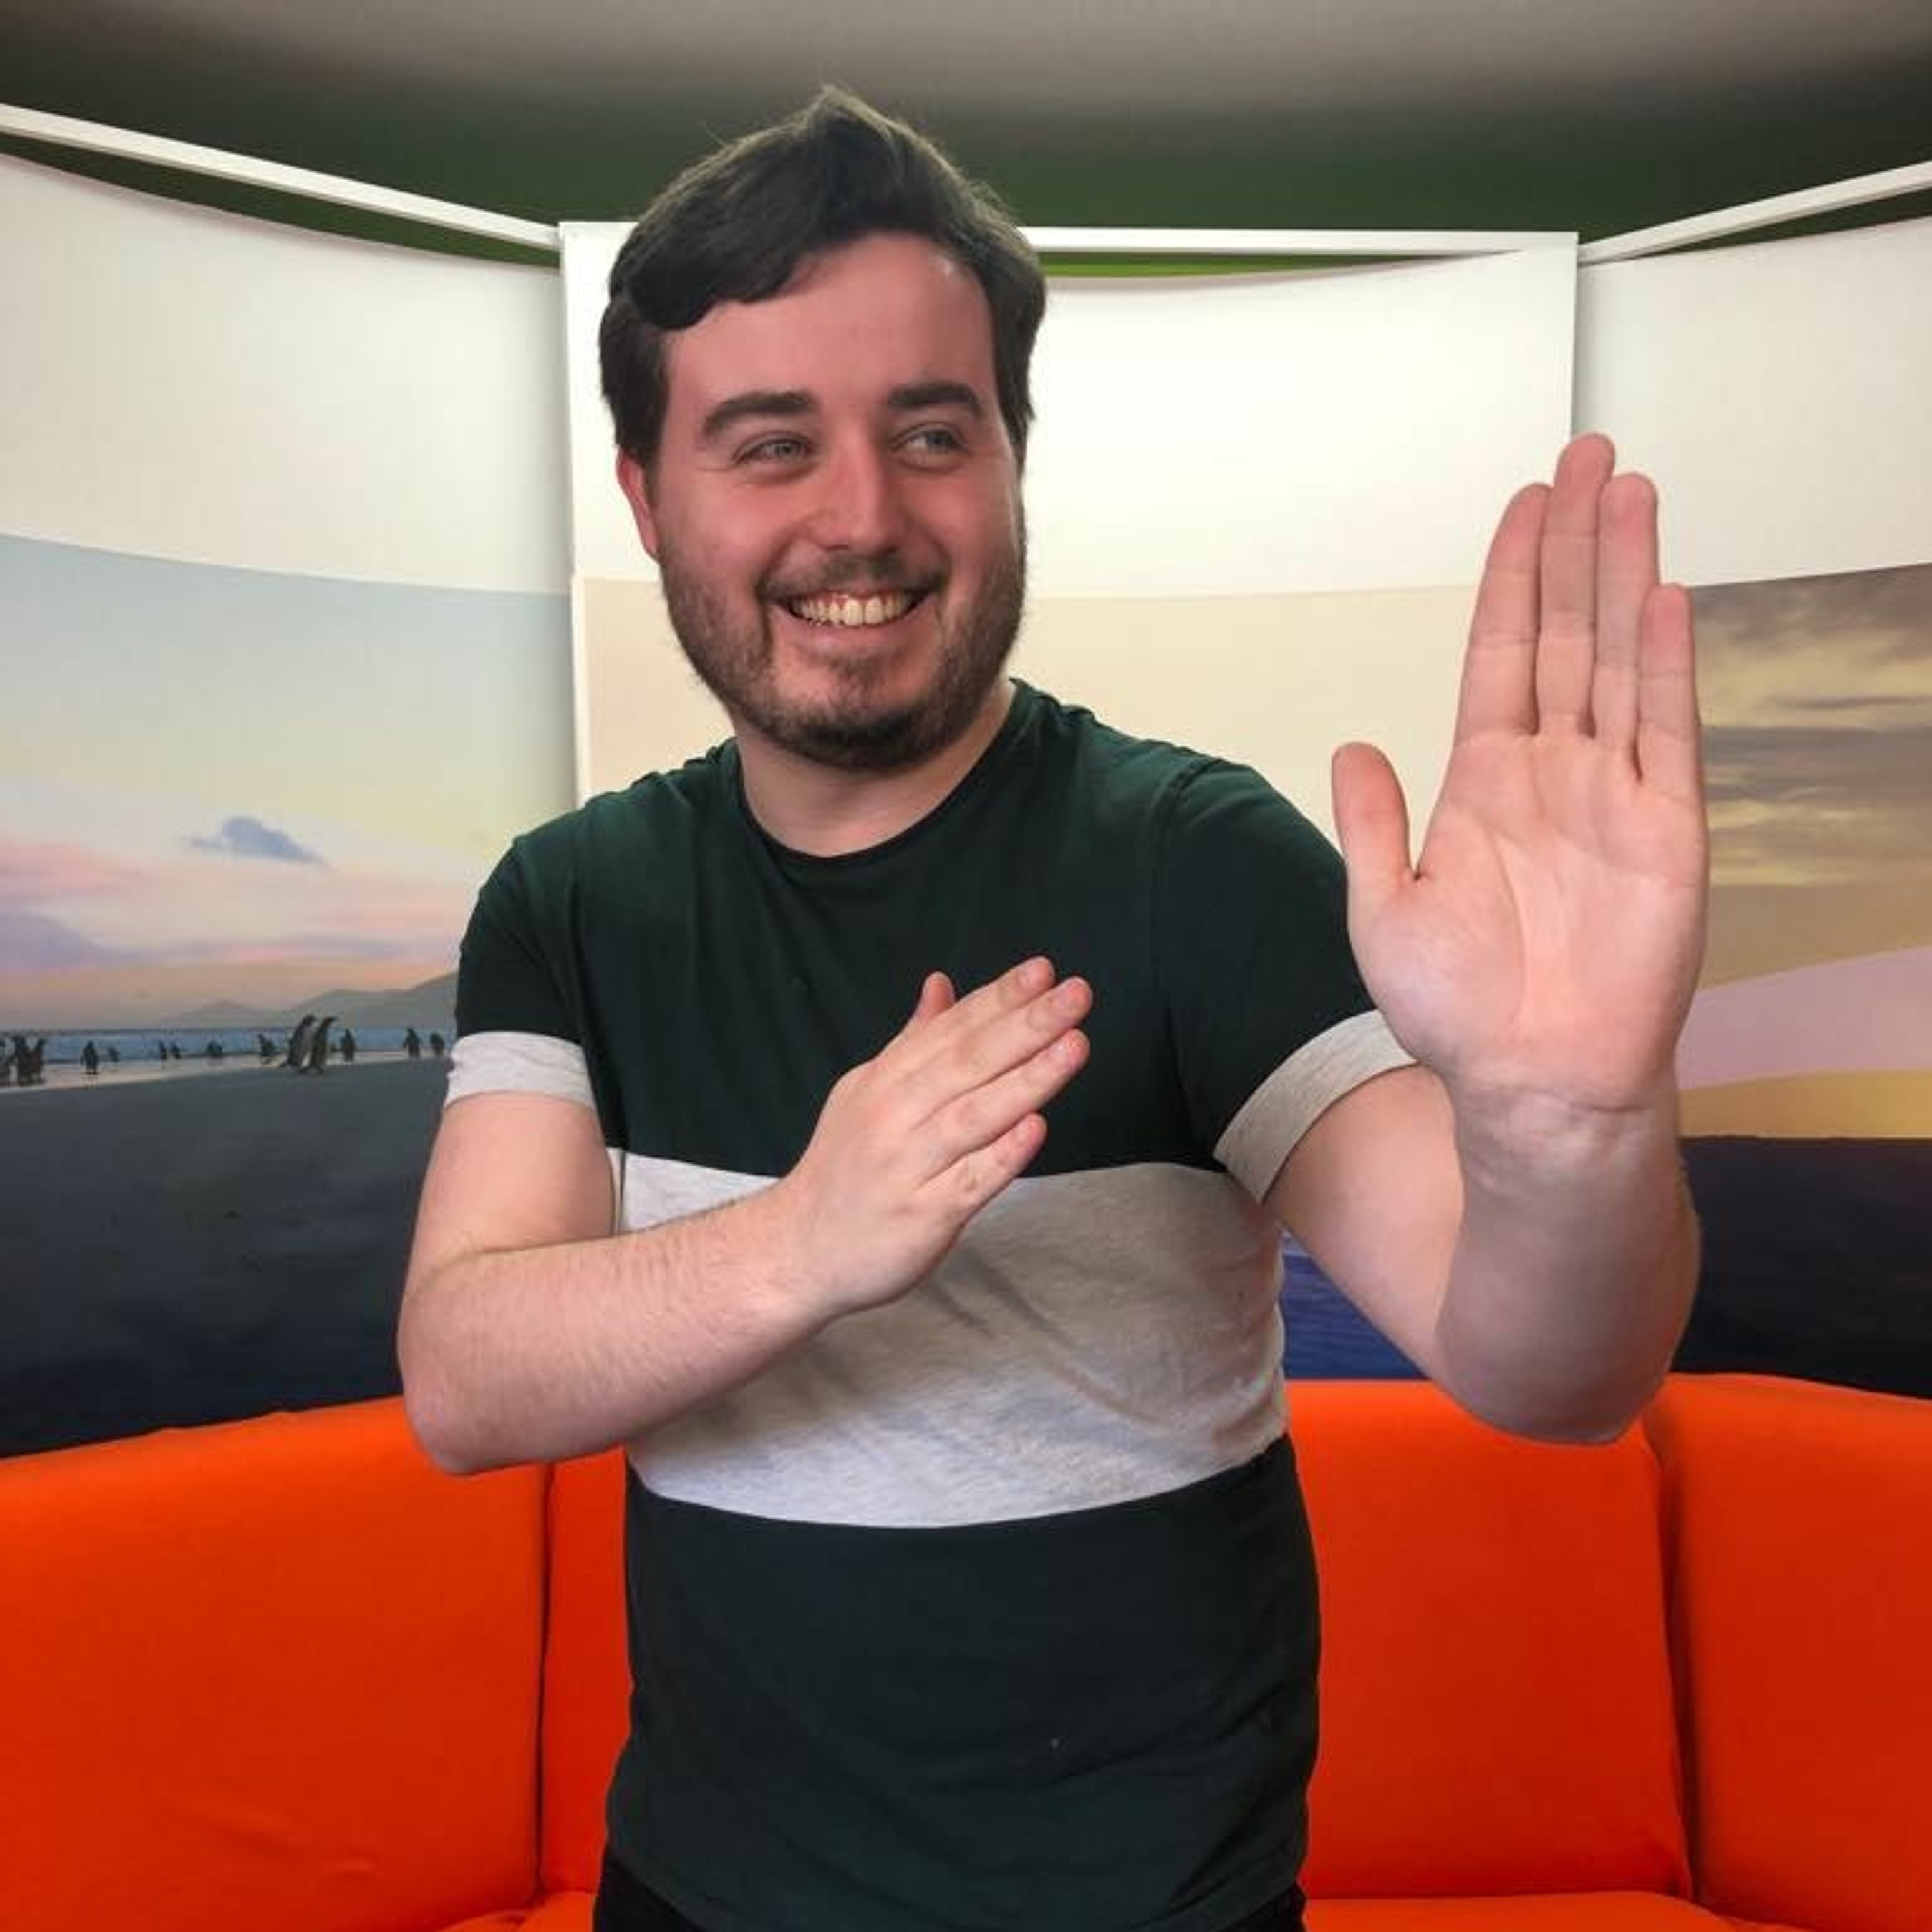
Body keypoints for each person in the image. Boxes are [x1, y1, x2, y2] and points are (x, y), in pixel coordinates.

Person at [400, 90, 1705, 1932]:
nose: (863, 515)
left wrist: (1571, 1125)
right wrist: (806, 1241)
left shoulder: (1202, 866)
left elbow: (1556, 1378)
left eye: (932, 432)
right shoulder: (572, 903)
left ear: (1011, 456)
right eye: (771, 444)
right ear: (646, 495)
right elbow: (463, 1380)